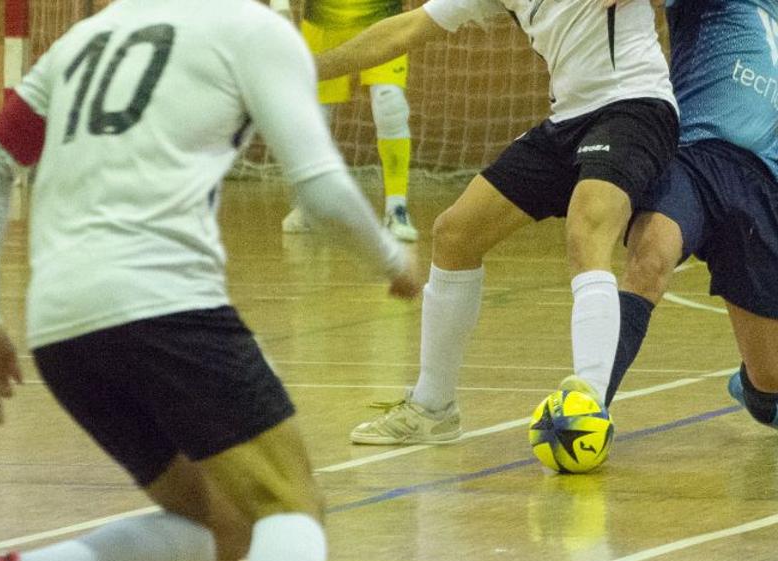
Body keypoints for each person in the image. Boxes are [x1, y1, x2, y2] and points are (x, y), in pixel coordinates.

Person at [0, 0, 414, 561]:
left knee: (224, 522)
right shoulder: (256, 31)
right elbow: (320, 186)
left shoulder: (87, 37)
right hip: (165, 302)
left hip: (61, 323)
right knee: (290, 503)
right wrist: (392, 260)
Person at [315, 0, 679, 447]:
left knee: (587, 228)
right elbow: (405, 30)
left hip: (635, 108)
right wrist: (310, 67)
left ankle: (588, 415)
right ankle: (433, 408)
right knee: (455, 234)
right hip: (567, 119)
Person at [603, 0, 778, 429]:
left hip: (762, 185)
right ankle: (588, 402)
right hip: (695, 157)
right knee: (650, 259)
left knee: (769, 383)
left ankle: (756, 388)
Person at [274, 0, 420, 242]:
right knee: (314, 113)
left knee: (390, 103)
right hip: (324, 18)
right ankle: (310, 205)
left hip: (381, 14)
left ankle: (397, 208)